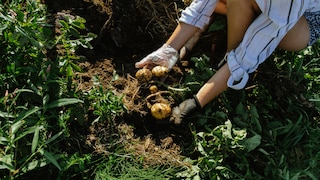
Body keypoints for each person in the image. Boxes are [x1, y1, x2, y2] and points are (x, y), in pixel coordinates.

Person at [135, 0, 320, 124]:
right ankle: (232, 21)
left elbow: (255, 48)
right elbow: (204, 3)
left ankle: (227, 54)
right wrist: (169, 49)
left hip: (300, 23)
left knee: (240, 4)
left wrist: (197, 101)